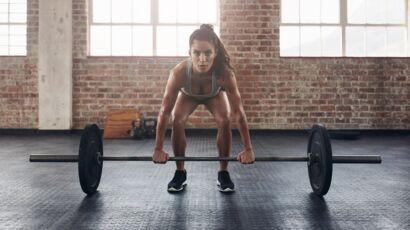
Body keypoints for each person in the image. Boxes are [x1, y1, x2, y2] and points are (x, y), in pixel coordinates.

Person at [152, 24, 255, 193]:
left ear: (215, 52)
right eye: (197, 53)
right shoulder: (178, 73)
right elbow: (164, 112)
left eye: (208, 53)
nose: (202, 59)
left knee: (225, 119)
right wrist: (157, 148)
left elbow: (239, 113)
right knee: (177, 120)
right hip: (188, 95)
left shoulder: (224, 73)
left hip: (214, 95)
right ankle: (180, 172)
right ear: (189, 53)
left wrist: (248, 149)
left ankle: (223, 172)